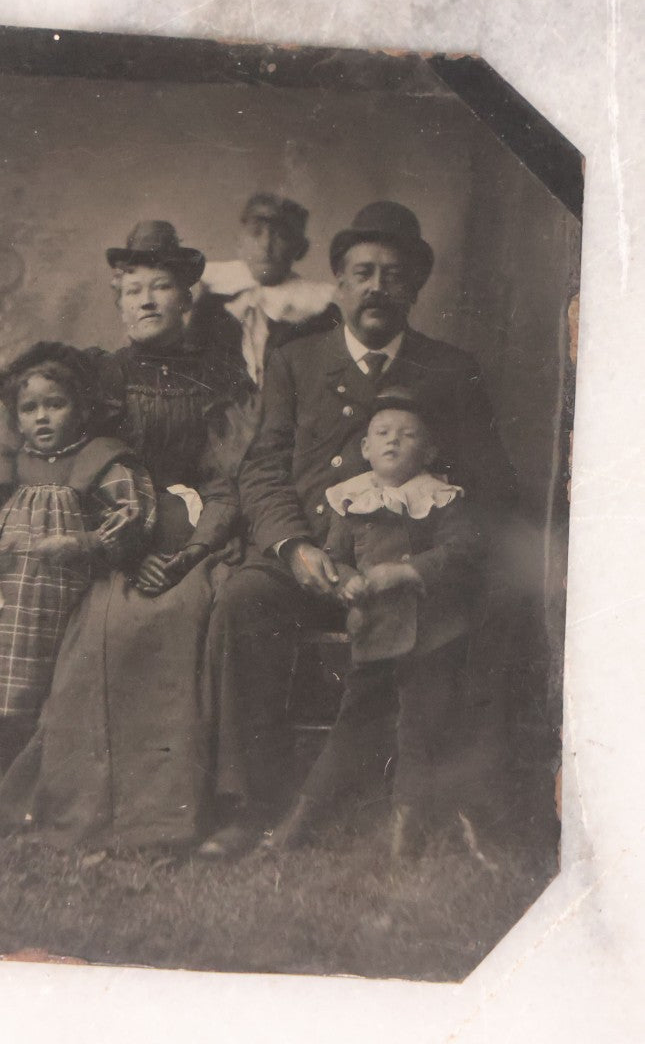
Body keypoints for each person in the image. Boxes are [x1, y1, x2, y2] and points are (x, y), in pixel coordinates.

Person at [201, 200, 516, 858]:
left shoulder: (449, 370)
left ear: (415, 286)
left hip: (405, 568)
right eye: (362, 272)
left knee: (479, 617)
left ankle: (425, 799)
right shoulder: (295, 360)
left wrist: (420, 564)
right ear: (338, 284)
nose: (376, 287)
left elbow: (490, 491)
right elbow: (261, 470)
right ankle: (251, 804)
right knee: (242, 599)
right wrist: (292, 546)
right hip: (313, 551)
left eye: (393, 275)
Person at [0, 222, 245, 851]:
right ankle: (83, 803)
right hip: (108, 531)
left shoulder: (221, 379)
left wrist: (193, 552)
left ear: (189, 298)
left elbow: (228, 480)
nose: (148, 301)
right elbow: (49, 448)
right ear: (120, 301)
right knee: (103, 622)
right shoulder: (94, 375)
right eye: (134, 290)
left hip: (189, 530)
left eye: (163, 287)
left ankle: (161, 813)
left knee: (184, 612)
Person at [0, 341, 156, 827]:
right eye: (29, 408)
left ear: (83, 408)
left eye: (57, 404)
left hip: (56, 604)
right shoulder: (1, 464)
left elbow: (133, 516)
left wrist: (84, 542)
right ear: (16, 415)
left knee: (27, 704)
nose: (43, 418)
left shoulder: (102, 462)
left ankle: (16, 796)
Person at [262, 389, 485, 855]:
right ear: (365, 448)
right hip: (375, 630)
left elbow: (462, 553)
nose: (392, 442)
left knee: (417, 727)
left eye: (407, 436)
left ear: (429, 451)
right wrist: (343, 581)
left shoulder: (441, 497)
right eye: (382, 434)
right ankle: (302, 818)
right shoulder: (353, 499)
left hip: (431, 634)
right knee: (351, 724)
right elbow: (337, 556)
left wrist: (405, 571)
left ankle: (406, 831)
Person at [189, 192, 334, 390]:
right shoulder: (212, 303)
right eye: (256, 233)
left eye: (281, 235)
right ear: (239, 242)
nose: (266, 245)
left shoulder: (319, 312)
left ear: (300, 248)